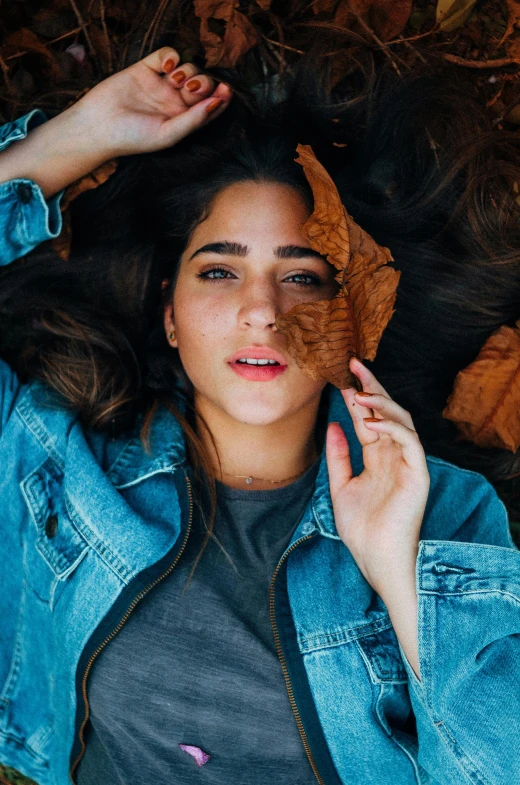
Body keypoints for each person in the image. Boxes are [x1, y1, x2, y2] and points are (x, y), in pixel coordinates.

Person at [0, 44, 518, 785]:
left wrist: (401, 577)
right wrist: (75, 138)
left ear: (353, 317)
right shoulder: (58, 467)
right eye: (218, 269)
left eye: (302, 276)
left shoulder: (448, 515)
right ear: (170, 314)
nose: (260, 310)